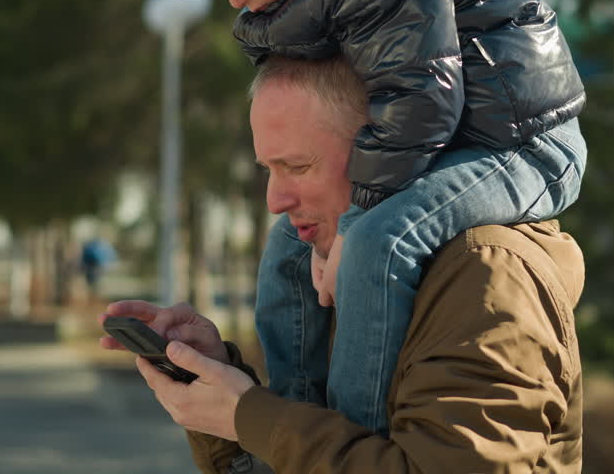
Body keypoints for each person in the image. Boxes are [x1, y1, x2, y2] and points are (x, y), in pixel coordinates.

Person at [123, 0, 587, 435]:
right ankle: (284, 426)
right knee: (289, 251)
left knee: (379, 242)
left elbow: (421, 99)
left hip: (524, 142)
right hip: (447, 135)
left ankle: (351, 436)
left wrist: (357, 217)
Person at [100, 55, 585, 473]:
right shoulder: (332, 263)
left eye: (297, 166)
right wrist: (224, 396)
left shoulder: (486, 276)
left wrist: (250, 416)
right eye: (268, 169)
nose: (274, 200)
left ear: (389, 154)